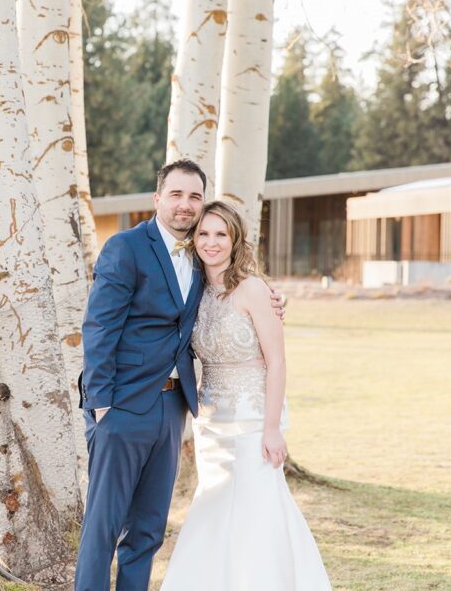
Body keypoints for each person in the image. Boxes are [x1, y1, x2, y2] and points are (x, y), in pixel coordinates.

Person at [74, 159, 284, 591]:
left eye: (194, 196)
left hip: (173, 408)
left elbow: (231, 306)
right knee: (104, 525)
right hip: (122, 407)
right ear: (158, 199)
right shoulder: (126, 247)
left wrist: (274, 301)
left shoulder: (199, 257)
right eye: (176, 194)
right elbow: (98, 328)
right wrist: (101, 405)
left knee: (149, 528)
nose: (185, 205)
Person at [160, 200, 330, 590]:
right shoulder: (193, 291)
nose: (211, 242)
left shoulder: (253, 289)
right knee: (213, 508)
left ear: (236, 240)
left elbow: (278, 362)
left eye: (221, 234)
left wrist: (272, 428)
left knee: (259, 510)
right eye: (203, 233)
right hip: (211, 421)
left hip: (253, 420)